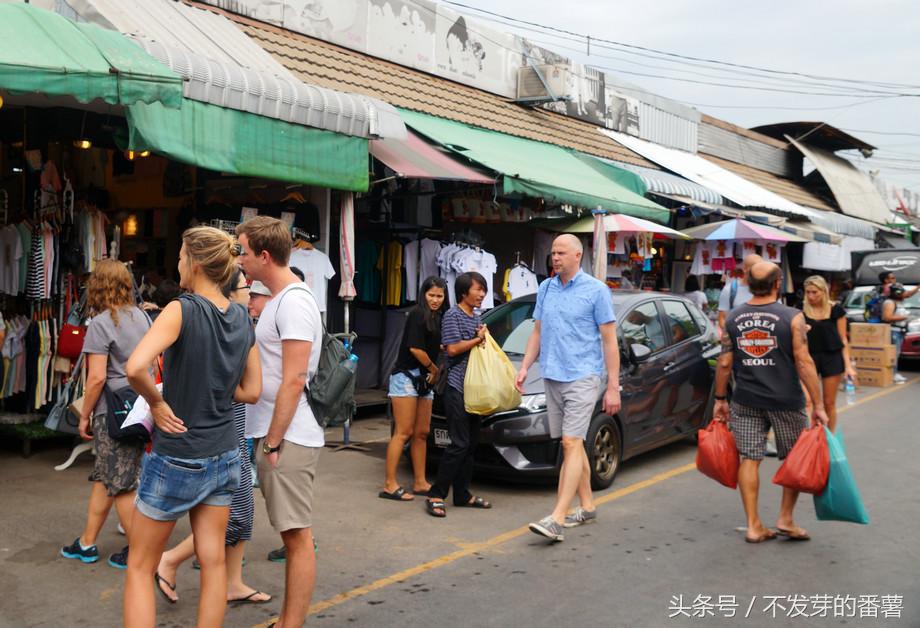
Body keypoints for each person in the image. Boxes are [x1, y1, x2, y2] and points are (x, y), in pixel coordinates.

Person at [123, 227, 261, 628]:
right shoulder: (242, 316)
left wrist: (156, 402)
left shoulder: (181, 309)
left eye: (182, 256)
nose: (179, 263)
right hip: (225, 453)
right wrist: (216, 388)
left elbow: (135, 367)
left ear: (197, 263)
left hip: (178, 455)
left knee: (139, 566)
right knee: (214, 562)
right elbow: (253, 391)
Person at [154, 269, 271, 606]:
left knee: (242, 513)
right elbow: (250, 390)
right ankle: (170, 560)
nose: (250, 293)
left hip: (231, 432)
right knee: (235, 513)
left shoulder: (233, 323)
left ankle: (232, 582)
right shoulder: (223, 325)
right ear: (230, 291)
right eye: (246, 287)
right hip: (221, 435)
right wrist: (221, 384)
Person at [236, 216, 323, 628]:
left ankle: (292, 623)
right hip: (278, 433)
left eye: (243, 252)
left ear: (265, 255)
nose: (240, 260)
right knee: (292, 536)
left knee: (297, 537)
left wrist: (272, 441)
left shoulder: (294, 302)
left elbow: (295, 377)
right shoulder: (281, 300)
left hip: (288, 436)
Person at [713, 262, 828, 544]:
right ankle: (785, 519)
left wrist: (720, 399)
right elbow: (804, 362)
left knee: (749, 458)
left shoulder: (733, 318)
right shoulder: (792, 317)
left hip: (746, 399)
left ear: (748, 284)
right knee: (793, 458)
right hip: (786, 400)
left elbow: (724, 362)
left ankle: (753, 525)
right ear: (778, 284)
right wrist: (819, 405)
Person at [516, 234, 621, 543]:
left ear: (578, 255)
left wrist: (613, 386)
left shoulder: (596, 291)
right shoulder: (546, 288)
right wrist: (525, 366)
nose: (555, 257)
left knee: (570, 443)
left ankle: (557, 518)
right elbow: (537, 331)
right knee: (572, 444)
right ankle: (587, 507)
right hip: (552, 374)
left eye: (561, 252)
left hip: (583, 376)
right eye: (553, 252)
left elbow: (609, 340)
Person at [60, 260, 151, 569]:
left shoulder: (100, 323)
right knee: (107, 475)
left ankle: (140, 553)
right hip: (139, 406)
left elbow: (97, 377)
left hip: (111, 411)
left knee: (120, 481)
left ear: (98, 286)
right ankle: (86, 542)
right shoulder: (142, 316)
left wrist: (84, 415)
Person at [426, 271, 492, 518]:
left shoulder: (476, 316)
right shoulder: (453, 315)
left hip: (474, 388)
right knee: (459, 443)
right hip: (456, 387)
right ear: (464, 292)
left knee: (471, 444)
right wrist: (477, 339)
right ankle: (436, 494)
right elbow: (452, 349)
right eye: (478, 290)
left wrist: (481, 337)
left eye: (483, 290)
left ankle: (462, 494)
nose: (482, 294)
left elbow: (476, 345)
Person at [381, 276, 448, 501]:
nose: (435, 300)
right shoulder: (418, 313)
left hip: (425, 379)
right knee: (404, 432)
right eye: (431, 295)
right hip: (406, 377)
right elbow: (415, 349)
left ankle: (420, 482)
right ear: (423, 294)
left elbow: (434, 345)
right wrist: (434, 370)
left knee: (422, 433)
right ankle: (389, 485)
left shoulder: (438, 317)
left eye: (440, 296)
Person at [802, 275, 857, 432]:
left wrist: (848, 366)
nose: (811, 296)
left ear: (823, 291)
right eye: (808, 292)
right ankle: (811, 436)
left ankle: (829, 437)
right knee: (807, 401)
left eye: (814, 292)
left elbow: (843, 339)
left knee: (829, 402)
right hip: (808, 357)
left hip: (832, 357)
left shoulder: (836, 310)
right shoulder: (801, 310)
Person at [717, 254, 763, 332]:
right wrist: (731, 335)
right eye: (755, 267)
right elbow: (722, 318)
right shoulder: (730, 289)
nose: (759, 271)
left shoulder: (768, 289)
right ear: (745, 269)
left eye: (761, 268)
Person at [881, 284, 910, 384]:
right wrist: (904, 317)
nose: (904, 294)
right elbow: (887, 317)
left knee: (896, 354)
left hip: (899, 331)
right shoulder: (890, 302)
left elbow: (909, 294)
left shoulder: (899, 302)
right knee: (893, 354)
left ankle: (894, 373)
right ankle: (892, 374)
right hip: (893, 331)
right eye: (901, 292)